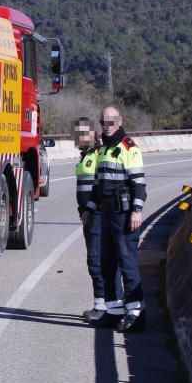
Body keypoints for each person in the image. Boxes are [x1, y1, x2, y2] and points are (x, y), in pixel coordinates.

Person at [89, 104, 147, 332]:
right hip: (106, 215)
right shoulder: (102, 149)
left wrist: (137, 210)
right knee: (107, 264)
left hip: (124, 215)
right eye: (104, 122)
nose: (108, 126)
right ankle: (114, 311)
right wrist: (90, 208)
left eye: (112, 121)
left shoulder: (128, 148)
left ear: (120, 121)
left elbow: (139, 184)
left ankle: (136, 313)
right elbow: (97, 185)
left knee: (127, 264)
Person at [72, 117, 110, 323]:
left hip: (97, 215)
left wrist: (90, 208)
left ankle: (102, 306)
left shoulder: (98, 154)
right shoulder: (85, 155)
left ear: (93, 134)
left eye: (81, 133)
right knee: (93, 260)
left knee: (96, 261)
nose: (77, 138)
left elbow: (101, 187)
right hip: (88, 215)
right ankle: (100, 304)